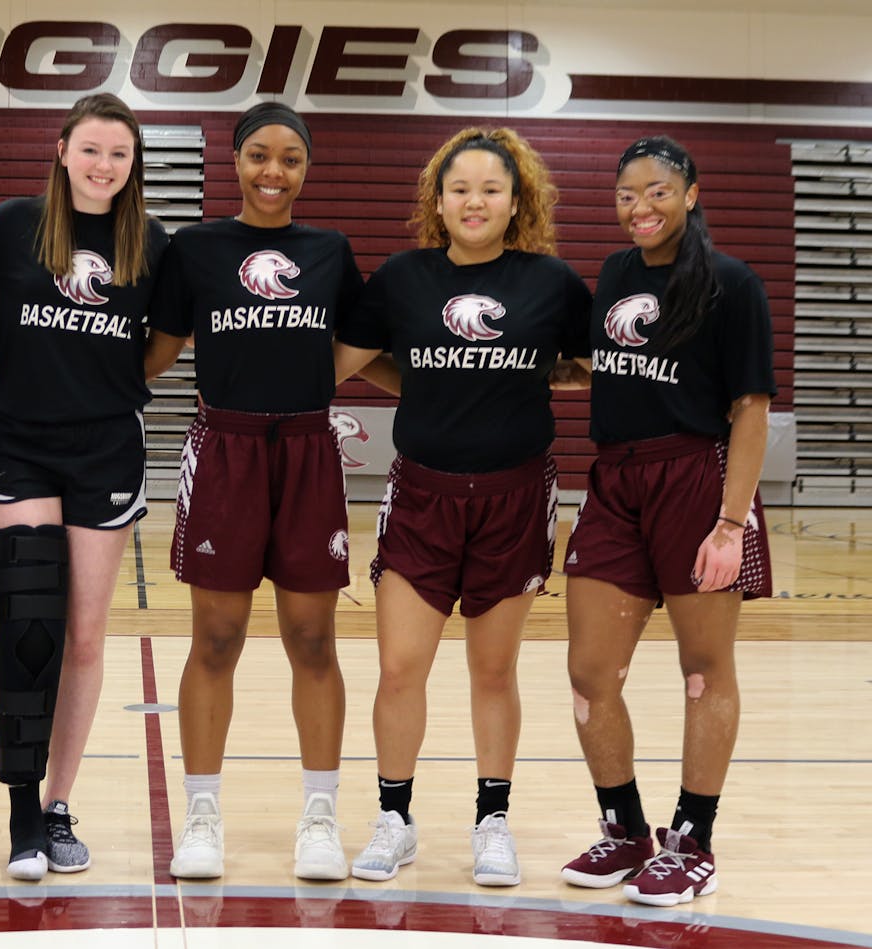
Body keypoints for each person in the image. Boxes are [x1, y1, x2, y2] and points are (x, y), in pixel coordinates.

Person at [332, 127, 593, 887]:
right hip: (421, 492)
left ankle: (492, 820)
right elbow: (346, 363)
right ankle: (394, 817)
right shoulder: (403, 279)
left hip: (515, 495)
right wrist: (417, 383)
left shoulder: (552, 283)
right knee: (400, 663)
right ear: (437, 202)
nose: (474, 200)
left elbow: (592, 363)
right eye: (460, 189)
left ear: (517, 202)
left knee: (493, 668)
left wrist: (535, 381)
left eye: (490, 189)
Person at [145, 101, 364, 882]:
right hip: (226, 450)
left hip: (307, 451)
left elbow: (363, 352)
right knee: (216, 638)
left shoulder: (330, 251)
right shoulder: (196, 249)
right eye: (260, 155)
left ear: (307, 169)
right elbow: (155, 353)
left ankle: (320, 816)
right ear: (235, 160)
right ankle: (201, 815)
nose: (274, 171)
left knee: (312, 639)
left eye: (291, 159)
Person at [0, 93, 168, 880]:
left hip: (106, 451)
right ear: (62, 149)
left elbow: (169, 337)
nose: (104, 165)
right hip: (20, 444)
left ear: (133, 161)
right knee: (26, 627)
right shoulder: (16, 224)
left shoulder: (149, 240)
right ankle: (19, 811)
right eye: (91, 149)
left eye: (118, 152)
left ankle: (58, 803)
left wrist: (109, 385)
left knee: (81, 635)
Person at [559, 135, 774, 907]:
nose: (639, 207)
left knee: (702, 670)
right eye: (625, 195)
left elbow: (750, 407)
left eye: (655, 191)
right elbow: (595, 364)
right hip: (617, 480)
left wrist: (730, 522)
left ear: (690, 192)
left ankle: (692, 838)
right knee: (588, 672)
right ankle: (625, 829)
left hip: (697, 478)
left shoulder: (730, 283)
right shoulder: (615, 273)